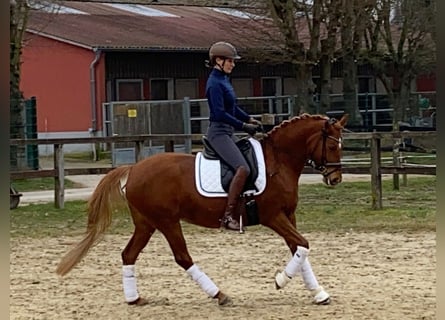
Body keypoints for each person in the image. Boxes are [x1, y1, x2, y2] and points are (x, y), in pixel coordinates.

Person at [205, 41, 262, 231]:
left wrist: (249, 119)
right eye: (230, 61)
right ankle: (227, 217)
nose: (233, 64)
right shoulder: (214, 83)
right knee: (243, 168)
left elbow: (233, 108)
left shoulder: (224, 80)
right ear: (218, 60)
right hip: (219, 133)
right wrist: (243, 126)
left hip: (228, 132)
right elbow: (220, 113)